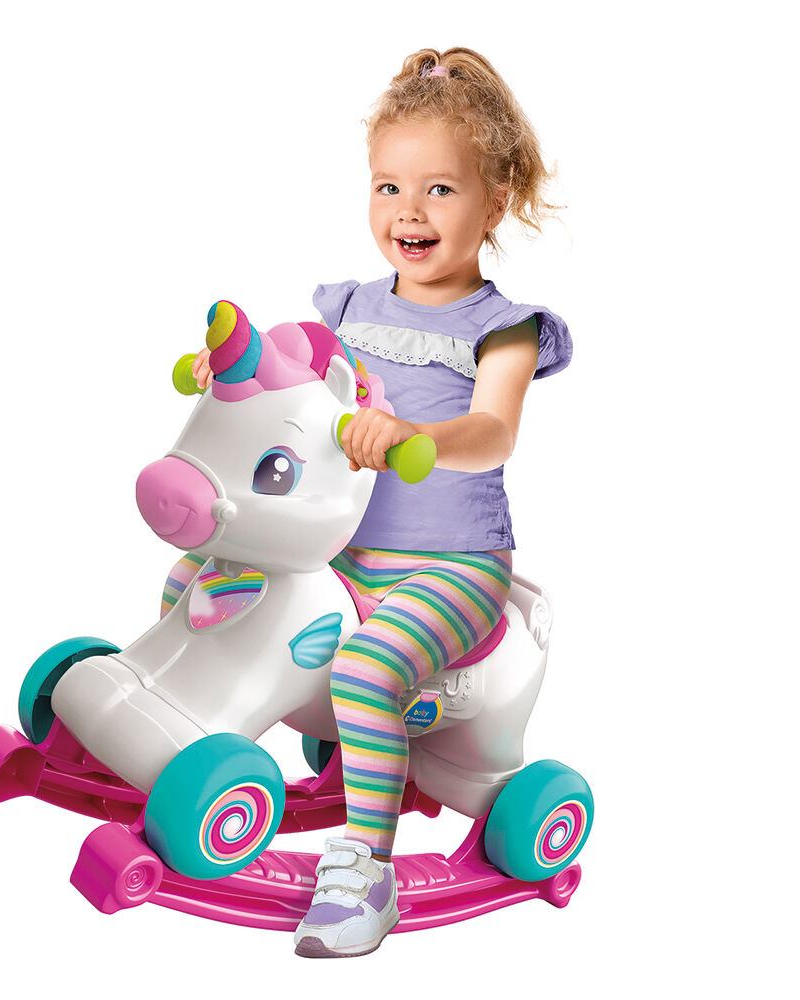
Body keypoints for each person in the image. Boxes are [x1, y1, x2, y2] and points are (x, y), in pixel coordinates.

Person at [188, 46, 571, 958]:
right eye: (388, 187)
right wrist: (232, 373)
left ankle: (366, 872)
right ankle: (172, 734)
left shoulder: (502, 329)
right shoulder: (348, 307)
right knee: (206, 577)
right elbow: (288, 381)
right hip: (343, 552)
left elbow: (494, 432)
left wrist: (413, 435)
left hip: (453, 569)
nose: (409, 211)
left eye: (440, 189)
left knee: (364, 670)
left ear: (496, 201)